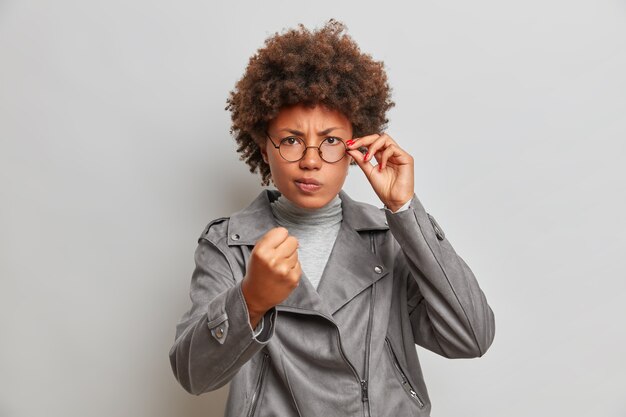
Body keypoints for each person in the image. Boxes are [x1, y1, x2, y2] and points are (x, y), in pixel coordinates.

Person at [169, 19, 495, 417]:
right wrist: (251, 299)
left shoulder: (388, 238)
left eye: (330, 141)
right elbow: (193, 375)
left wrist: (404, 210)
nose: (309, 161)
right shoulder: (227, 245)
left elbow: (471, 338)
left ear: (356, 145)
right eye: (291, 140)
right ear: (262, 143)